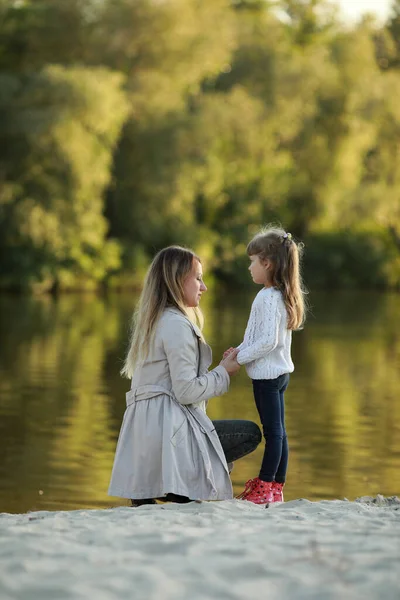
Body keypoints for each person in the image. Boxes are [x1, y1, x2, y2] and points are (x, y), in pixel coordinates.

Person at [108, 245, 261, 506]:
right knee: (248, 433)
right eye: (198, 278)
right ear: (178, 280)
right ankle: (175, 483)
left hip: (144, 443)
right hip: (167, 438)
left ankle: (166, 484)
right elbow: (186, 392)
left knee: (214, 436)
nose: (204, 287)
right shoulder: (177, 324)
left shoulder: (154, 321)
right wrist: (223, 373)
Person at [223, 226, 306, 505]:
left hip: (268, 378)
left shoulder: (267, 297)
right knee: (279, 431)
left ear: (267, 263)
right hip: (280, 374)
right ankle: (277, 487)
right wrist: (238, 350)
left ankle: (265, 485)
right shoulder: (281, 294)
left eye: (252, 261)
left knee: (273, 433)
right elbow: (255, 337)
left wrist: (239, 360)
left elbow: (267, 342)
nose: (249, 267)